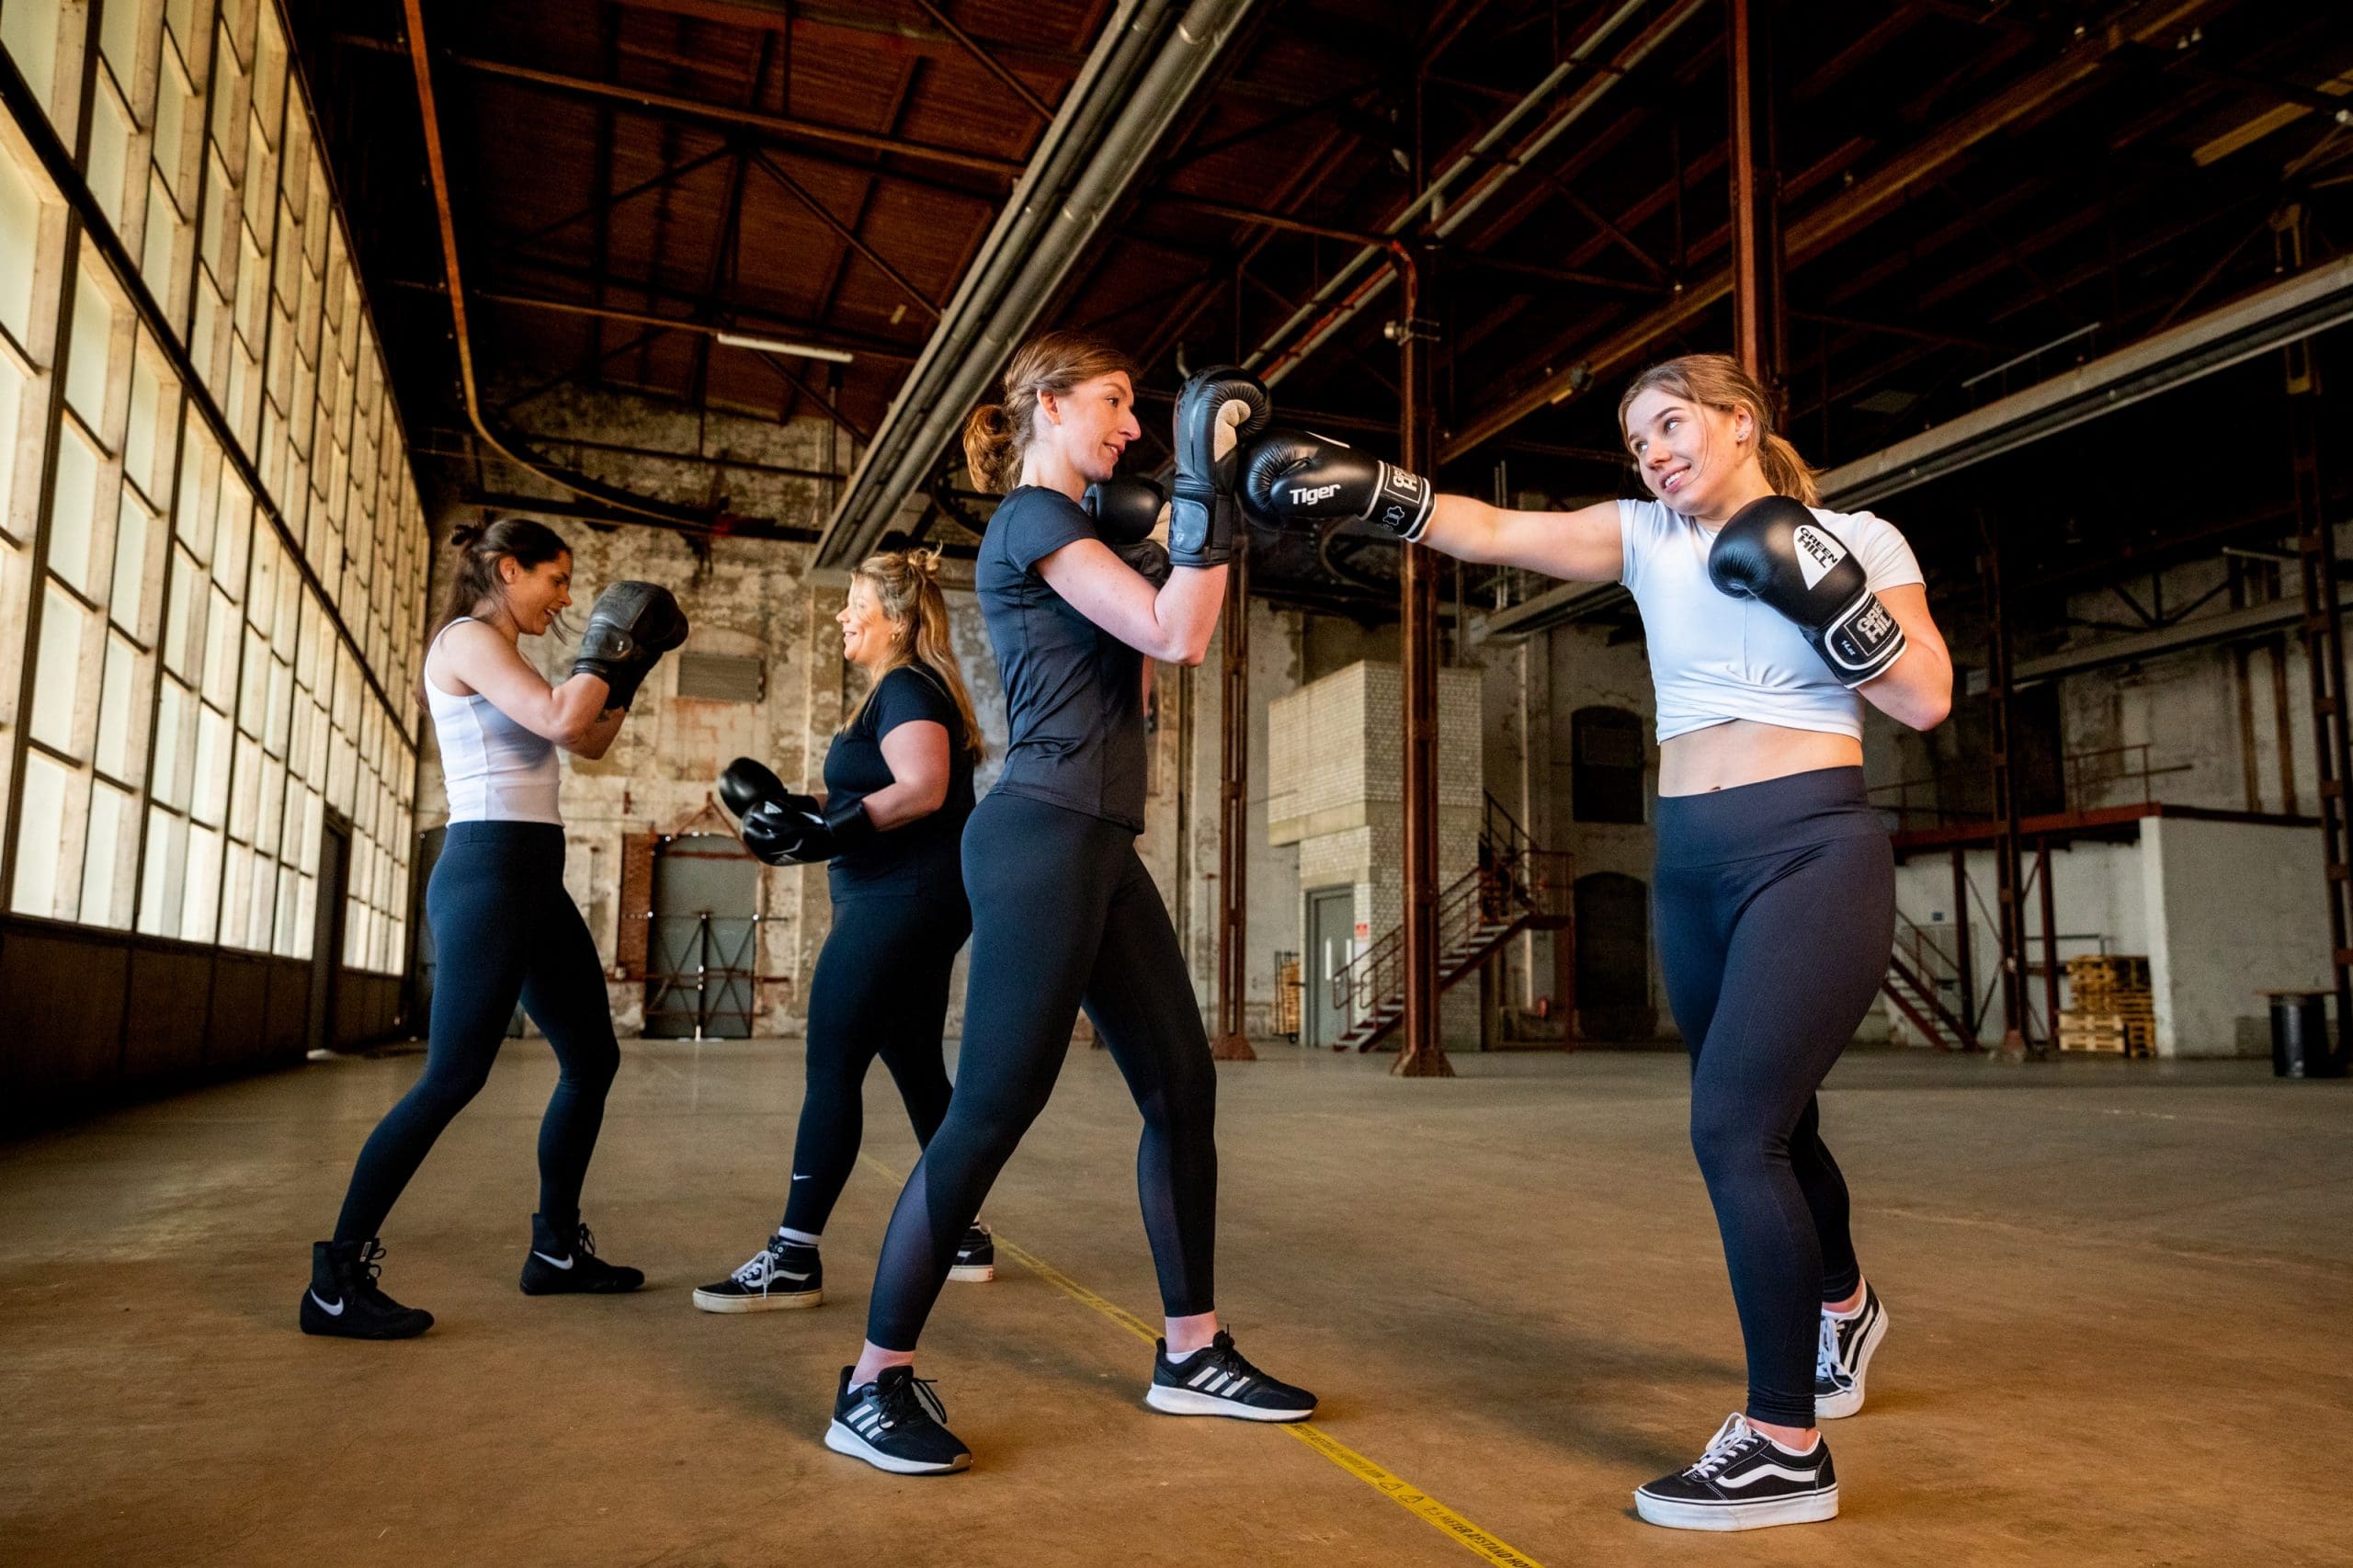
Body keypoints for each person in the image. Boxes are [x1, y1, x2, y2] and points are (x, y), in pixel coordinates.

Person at [1237, 352, 1953, 1531]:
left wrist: (1823, 595)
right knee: (1778, 1119)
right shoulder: (1643, 537)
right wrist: (1379, 489)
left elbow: (1923, 696)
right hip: (1690, 863)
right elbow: (1490, 531)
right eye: (1636, 442)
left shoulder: (1860, 540)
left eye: (1671, 426)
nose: (1653, 453)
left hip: (1812, 851)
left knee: (1731, 1129)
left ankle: (1782, 1442)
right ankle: (1844, 1302)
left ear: (1738, 422)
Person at [822, 333, 1317, 1476]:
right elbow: (1177, 635)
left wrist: (1207, 518)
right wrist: (1201, 497)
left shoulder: (1083, 532)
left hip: (1096, 837)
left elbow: (1153, 652)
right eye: (1114, 401)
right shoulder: (1034, 522)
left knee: (1180, 1084)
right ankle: (871, 1381)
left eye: (1139, 409)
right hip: (1040, 834)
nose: (1131, 424)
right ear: (1046, 406)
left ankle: (1189, 1350)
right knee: (993, 1105)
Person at [300, 518, 688, 1339]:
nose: (567, 597)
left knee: (591, 1057)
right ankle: (335, 1278)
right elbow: (557, 718)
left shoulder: (507, 656)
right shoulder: (467, 639)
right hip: (487, 870)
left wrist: (630, 668)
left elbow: (586, 740)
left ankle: (554, 1251)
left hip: (528, 875)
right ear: (508, 570)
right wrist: (604, 649)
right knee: (453, 1076)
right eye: (556, 579)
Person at [696, 548, 991, 1312]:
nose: (840, 615)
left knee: (831, 1062)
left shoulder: (906, 688)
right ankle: (961, 1230)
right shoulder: (897, 692)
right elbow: (875, 793)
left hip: (901, 900)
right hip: (904, 896)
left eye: (853, 602)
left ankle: (795, 1257)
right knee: (918, 1066)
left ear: (894, 620)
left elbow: (922, 790)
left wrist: (834, 831)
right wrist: (796, 813)